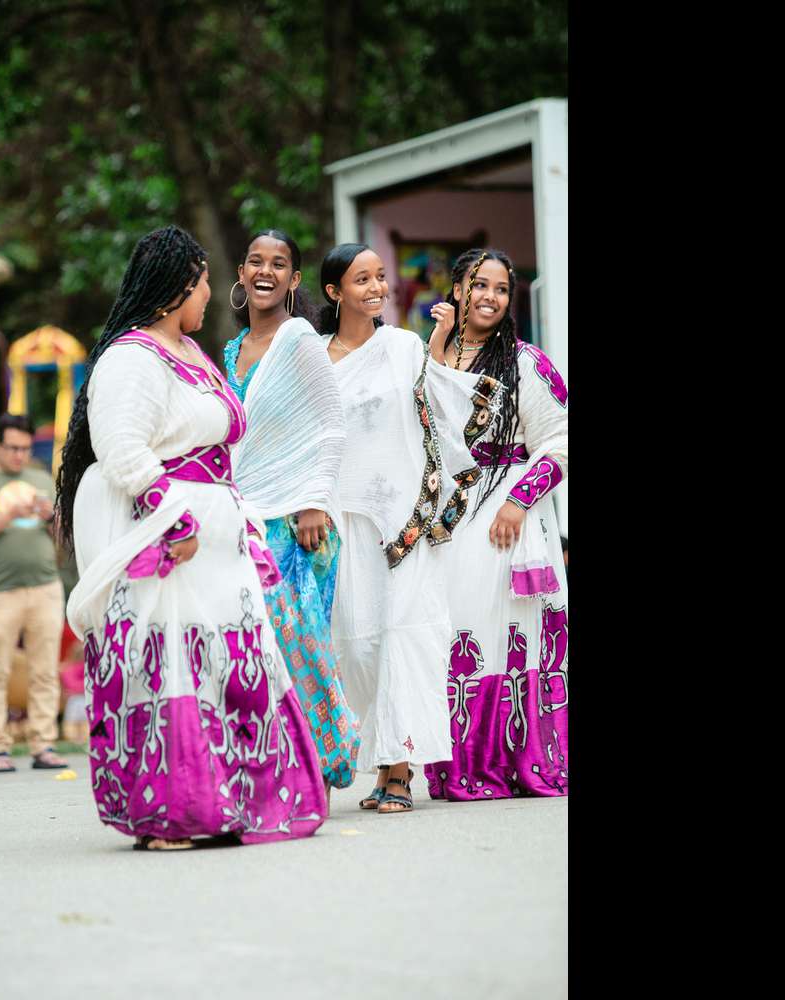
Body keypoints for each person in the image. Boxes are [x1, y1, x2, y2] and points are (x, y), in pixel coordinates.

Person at [56, 225, 328, 851]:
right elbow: (122, 449)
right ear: (180, 286)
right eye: (204, 280)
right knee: (171, 668)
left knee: (227, 668)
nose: (211, 291)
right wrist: (172, 520)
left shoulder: (191, 353)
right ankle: (171, 814)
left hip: (216, 538)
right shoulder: (131, 358)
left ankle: (234, 802)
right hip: (168, 542)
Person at [317, 242, 502, 814]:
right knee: (357, 641)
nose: (377, 288)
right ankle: (375, 760)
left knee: (405, 637)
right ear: (333, 291)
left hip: (406, 518)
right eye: (362, 279)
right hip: (345, 519)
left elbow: (440, 401)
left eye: (380, 278)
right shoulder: (316, 359)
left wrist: (441, 344)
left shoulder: (401, 347)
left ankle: (400, 770)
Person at [421, 248, 569, 800]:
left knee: (507, 630)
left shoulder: (525, 362)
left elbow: (560, 441)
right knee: (457, 628)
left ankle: (521, 761)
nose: (490, 296)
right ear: (457, 290)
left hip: (510, 522)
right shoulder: (430, 357)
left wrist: (519, 500)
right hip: (449, 518)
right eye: (479, 285)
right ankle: (460, 766)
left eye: (502, 289)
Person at [222, 229, 359, 797]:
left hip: (300, 525)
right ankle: (276, 766)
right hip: (246, 520)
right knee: (258, 648)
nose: (266, 271)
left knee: (301, 647)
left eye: (279, 264)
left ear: (295, 280)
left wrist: (313, 503)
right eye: (255, 260)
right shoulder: (230, 352)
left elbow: (331, 425)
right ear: (241, 271)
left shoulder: (300, 338)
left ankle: (328, 758)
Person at [0, 412, 68, 773]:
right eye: (12, 448)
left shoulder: (40, 478)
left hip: (45, 586)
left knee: (45, 670)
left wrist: (50, 515)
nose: (19, 455)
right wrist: (8, 514)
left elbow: (64, 537)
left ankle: (44, 743)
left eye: (24, 448)